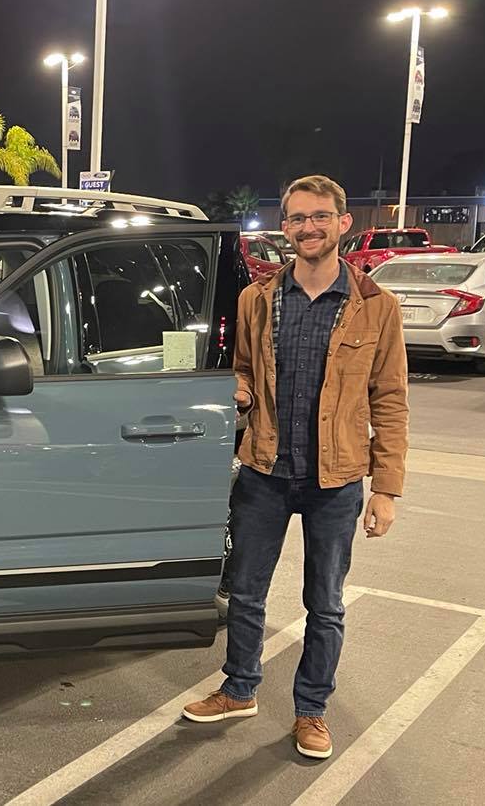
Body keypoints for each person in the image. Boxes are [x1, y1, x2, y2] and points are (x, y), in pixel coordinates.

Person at [182, 175, 409, 760]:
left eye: (319, 216)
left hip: (335, 481)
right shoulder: (257, 300)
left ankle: (312, 710)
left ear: (342, 223)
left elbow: (390, 400)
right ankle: (239, 689)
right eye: (296, 218)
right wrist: (236, 387)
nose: (307, 227)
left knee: (325, 604)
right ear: (284, 227)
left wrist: (386, 490)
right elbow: (242, 369)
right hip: (264, 470)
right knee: (247, 593)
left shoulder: (377, 308)